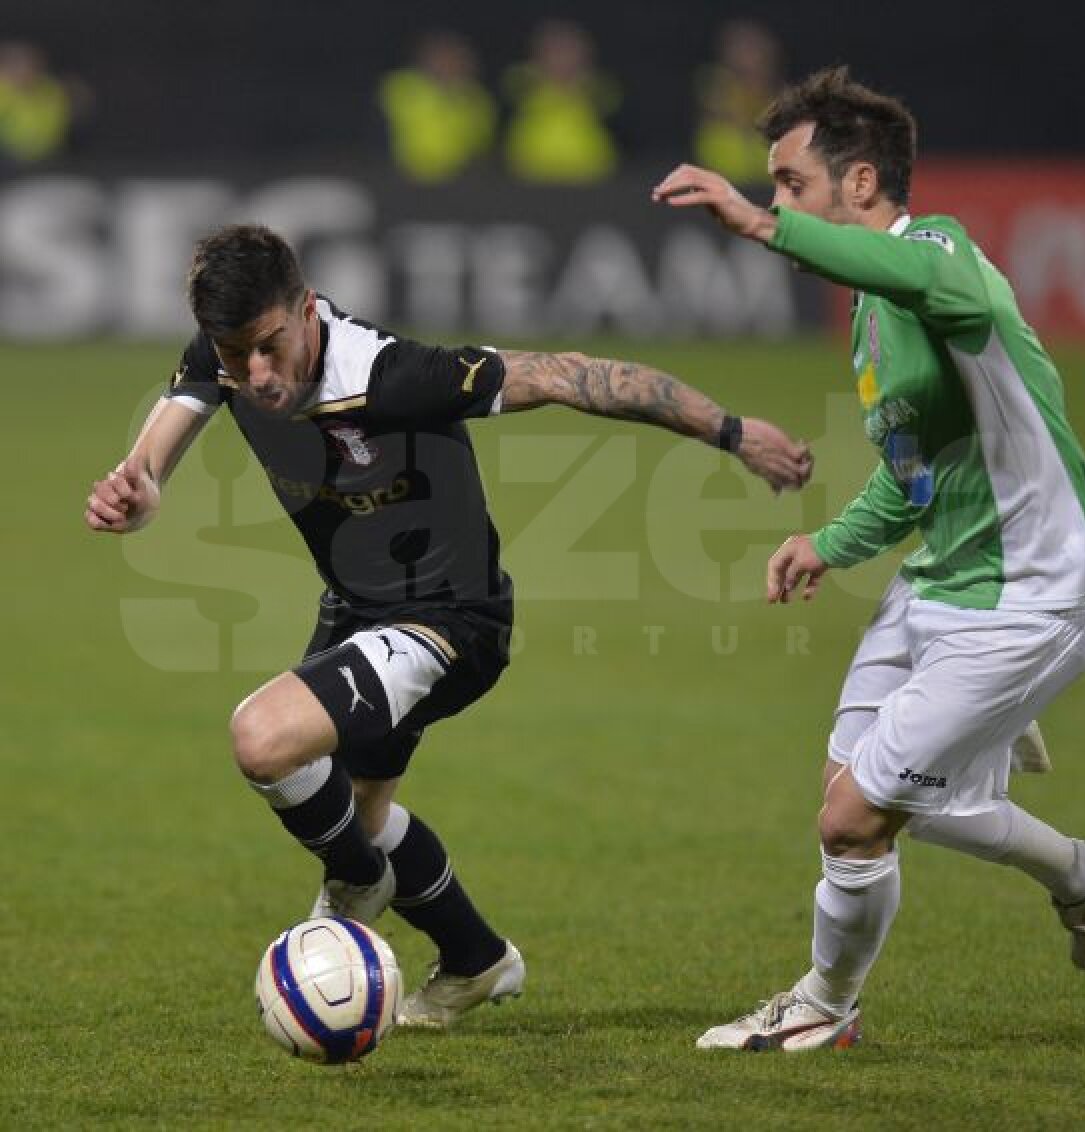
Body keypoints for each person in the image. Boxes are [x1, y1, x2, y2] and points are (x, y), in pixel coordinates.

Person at [84, 223, 812, 1030]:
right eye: (232, 355)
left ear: (305, 308)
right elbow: (155, 449)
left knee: (265, 739)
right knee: (359, 807)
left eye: (268, 346)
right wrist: (142, 487)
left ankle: (358, 885)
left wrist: (733, 433)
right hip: (355, 610)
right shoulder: (222, 353)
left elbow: (573, 376)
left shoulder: (392, 376)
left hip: (451, 623)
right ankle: (476, 960)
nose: (254, 375)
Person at [653, 66, 1085, 1052]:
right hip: (944, 586)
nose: (781, 201)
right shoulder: (872, 312)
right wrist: (826, 544)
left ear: (860, 185)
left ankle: (826, 1006)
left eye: (793, 182)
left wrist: (760, 226)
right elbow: (913, 473)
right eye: (774, 190)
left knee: (854, 820)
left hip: (1032, 596)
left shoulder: (939, 255)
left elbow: (932, 278)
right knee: (873, 794)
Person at [503, 21, 620, 184]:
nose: (562, 60)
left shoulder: (595, 87)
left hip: (588, 171)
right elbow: (514, 87)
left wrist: (576, 87)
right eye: (555, 53)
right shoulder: (525, 82)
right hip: (532, 170)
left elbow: (609, 101)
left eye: (569, 53)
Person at [377, 31, 496, 183]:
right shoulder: (401, 87)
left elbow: (480, 144)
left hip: (457, 181)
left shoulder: (477, 100)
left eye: (455, 59)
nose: (447, 64)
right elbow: (379, 130)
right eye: (440, 58)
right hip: (402, 175)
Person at [692, 20, 781, 186]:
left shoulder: (778, 91)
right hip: (728, 168)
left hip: (764, 170)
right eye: (742, 48)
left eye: (754, 49)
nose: (748, 56)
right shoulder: (714, 82)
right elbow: (724, 114)